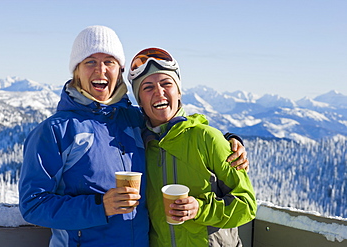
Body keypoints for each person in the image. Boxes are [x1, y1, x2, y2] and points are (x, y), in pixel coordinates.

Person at [19, 25, 248, 247]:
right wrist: (100, 206)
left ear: (119, 70)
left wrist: (229, 139)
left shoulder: (134, 120)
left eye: (109, 62)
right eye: (90, 62)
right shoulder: (55, 131)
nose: (100, 70)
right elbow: (33, 205)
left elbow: (175, 126)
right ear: (76, 71)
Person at [128, 47, 257, 247]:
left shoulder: (207, 139)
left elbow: (247, 205)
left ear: (178, 91)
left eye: (166, 84)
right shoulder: (139, 148)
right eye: (147, 87)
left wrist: (200, 209)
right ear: (140, 101)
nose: (159, 92)